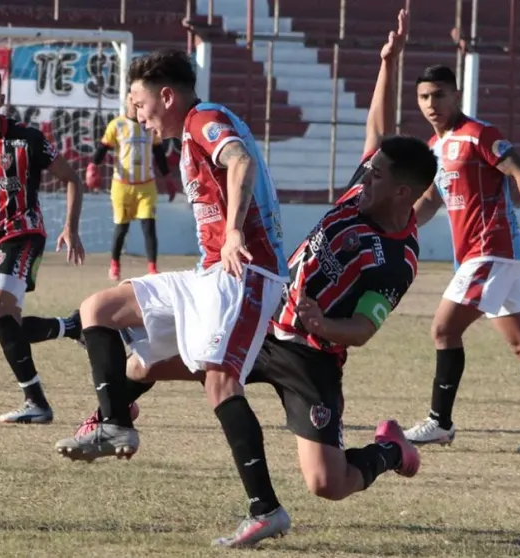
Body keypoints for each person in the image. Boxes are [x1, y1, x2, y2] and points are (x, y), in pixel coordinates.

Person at [49, 12, 433, 548]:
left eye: (378, 175)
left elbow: (365, 329)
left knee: (328, 482)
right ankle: (112, 416)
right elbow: (379, 133)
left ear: (401, 193)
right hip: (264, 318)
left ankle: (391, 451)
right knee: (143, 362)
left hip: (310, 354)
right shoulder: (360, 193)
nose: (365, 175)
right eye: (368, 170)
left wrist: (323, 322)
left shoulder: (398, 261)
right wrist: (387, 66)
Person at [52, 47, 292, 543]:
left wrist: (231, 232)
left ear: (166, 95)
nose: (136, 115)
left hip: (245, 271)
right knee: (102, 312)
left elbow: (240, 161)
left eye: (140, 105)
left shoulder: (205, 119)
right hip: (209, 274)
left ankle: (266, 510)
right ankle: (116, 422)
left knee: (221, 385)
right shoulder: (186, 134)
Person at [402, 64, 520, 453]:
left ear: (456, 95)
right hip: (483, 256)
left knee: (444, 330)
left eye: (439, 95)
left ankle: (439, 422)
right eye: (424, 97)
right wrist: (399, 227)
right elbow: (432, 199)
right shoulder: (434, 147)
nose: (432, 104)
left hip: (491, 250)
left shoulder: (479, 134)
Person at [0, 65, 86, 425]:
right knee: (7, 324)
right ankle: (70, 331)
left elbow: (72, 179)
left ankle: (37, 398)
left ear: (1, 100)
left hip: (23, 234)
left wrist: (70, 228)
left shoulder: (27, 140)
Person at [86, 93, 178, 280]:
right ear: (127, 102)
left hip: (146, 185)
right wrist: (92, 167)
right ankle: (114, 265)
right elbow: (102, 149)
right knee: (121, 228)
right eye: (132, 101)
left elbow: (159, 153)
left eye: (139, 102)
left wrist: (168, 178)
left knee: (149, 226)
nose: (135, 105)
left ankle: (152, 268)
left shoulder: (149, 126)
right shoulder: (117, 125)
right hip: (122, 185)